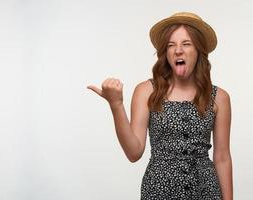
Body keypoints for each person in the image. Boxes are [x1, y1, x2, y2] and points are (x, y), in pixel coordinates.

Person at [87, 12, 233, 199]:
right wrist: (116, 105)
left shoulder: (219, 97)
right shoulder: (146, 91)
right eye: (171, 45)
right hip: (159, 190)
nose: (178, 50)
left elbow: (222, 158)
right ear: (166, 53)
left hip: (205, 191)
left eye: (186, 44)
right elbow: (134, 152)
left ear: (199, 50)